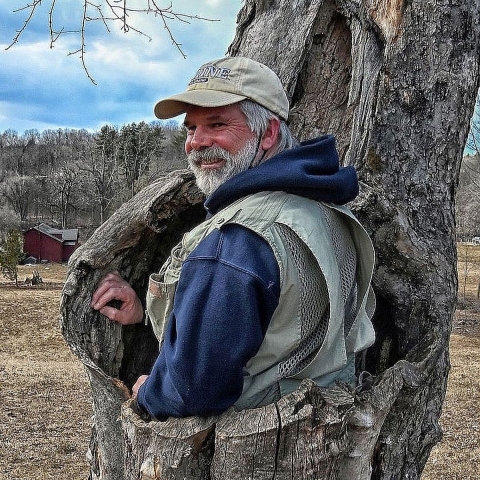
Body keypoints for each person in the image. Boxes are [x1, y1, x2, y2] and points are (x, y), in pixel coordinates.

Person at [91, 56, 375, 419]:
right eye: (191, 128)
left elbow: (192, 389)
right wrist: (149, 312)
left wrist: (150, 391)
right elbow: (274, 324)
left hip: (248, 451)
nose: (197, 142)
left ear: (269, 133)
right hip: (322, 424)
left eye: (218, 123)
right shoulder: (321, 207)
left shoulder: (238, 241)